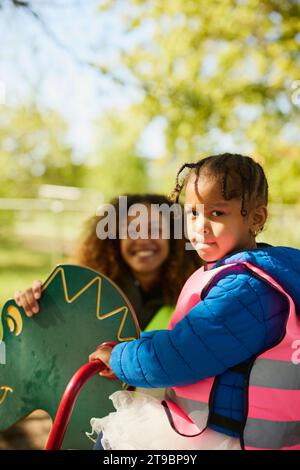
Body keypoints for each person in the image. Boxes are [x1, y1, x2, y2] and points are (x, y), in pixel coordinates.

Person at [88, 153, 300, 451]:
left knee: (113, 442)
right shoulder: (246, 274)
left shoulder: (245, 290)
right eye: (193, 213)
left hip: (222, 434)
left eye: (217, 213)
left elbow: (181, 355)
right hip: (219, 422)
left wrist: (120, 358)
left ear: (256, 218)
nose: (200, 226)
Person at [15, 194, 201, 331]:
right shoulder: (88, 294)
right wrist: (37, 305)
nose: (143, 239)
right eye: (131, 230)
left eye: (155, 230)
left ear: (175, 239)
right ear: (114, 240)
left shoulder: (199, 297)